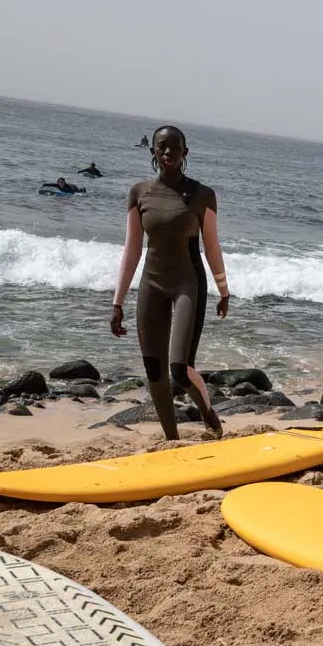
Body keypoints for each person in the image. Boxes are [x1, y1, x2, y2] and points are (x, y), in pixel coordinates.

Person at [110, 125, 229, 440]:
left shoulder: (202, 194)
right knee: (154, 371)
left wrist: (223, 289)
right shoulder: (139, 193)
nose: (167, 153)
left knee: (179, 368)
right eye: (161, 147)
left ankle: (208, 414)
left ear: (185, 153)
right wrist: (117, 301)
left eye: (174, 148)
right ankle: (171, 439)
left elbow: (212, 245)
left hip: (187, 284)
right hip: (152, 284)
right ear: (152, 151)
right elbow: (132, 248)